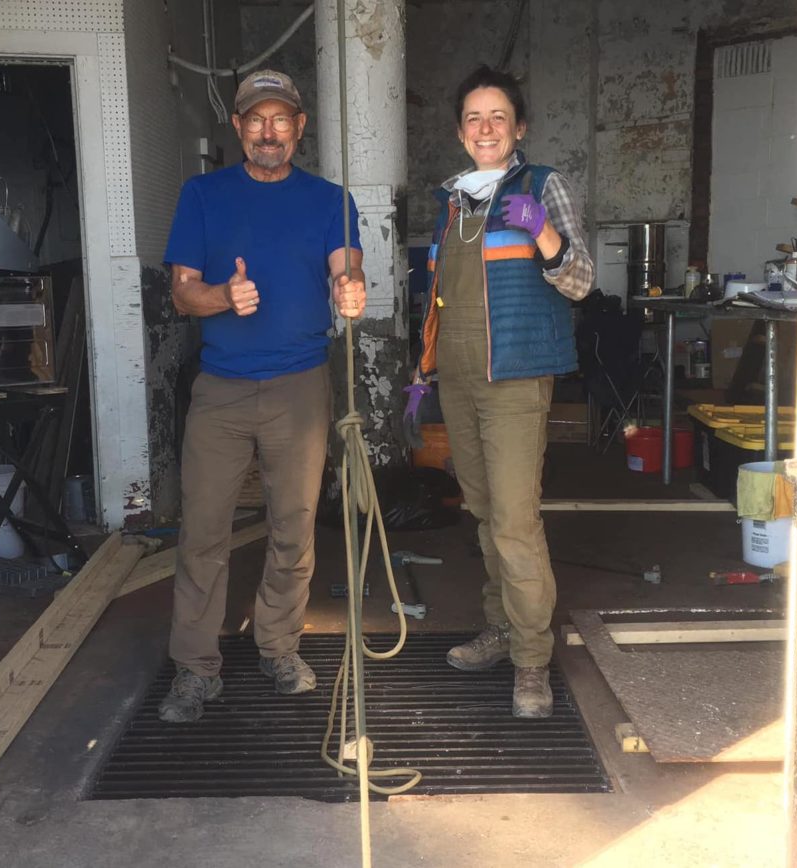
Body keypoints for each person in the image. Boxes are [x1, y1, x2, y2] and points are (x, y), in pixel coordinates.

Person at [159, 70, 367, 723]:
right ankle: (196, 668)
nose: (268, 131)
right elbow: (181, 290)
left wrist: (352, 287)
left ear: (300, 126)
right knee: (203, 532)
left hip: (300, 387)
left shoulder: (330, 199)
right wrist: (223, 297)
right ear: (239, 127)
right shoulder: (203, 195)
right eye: (256, 119)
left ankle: (278, 646)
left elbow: (347, 265)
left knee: (293, 527)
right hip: (220, 387)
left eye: (281, 118)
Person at [412, 65, 593, 718]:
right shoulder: (452, 204)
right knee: (483, 516)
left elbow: (579, 282)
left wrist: (541, 229)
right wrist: (420, 371)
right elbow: (442, 300)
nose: (485, 129)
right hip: (457, 383)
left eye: (497, 117)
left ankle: (531, 662)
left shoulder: (545, 186)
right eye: (473, 119)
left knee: (515, 523)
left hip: (515, 383)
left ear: (519, 128)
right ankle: (501, 628)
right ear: (462, 134)